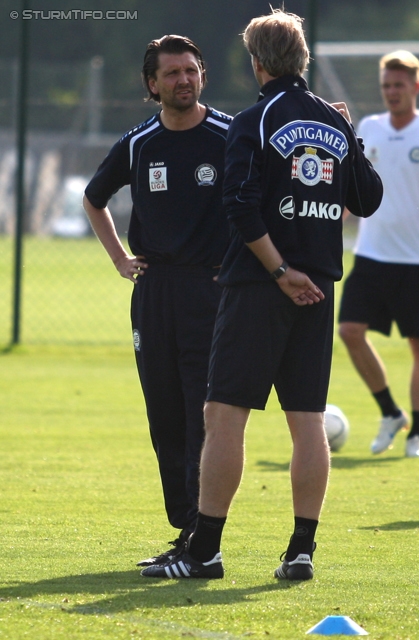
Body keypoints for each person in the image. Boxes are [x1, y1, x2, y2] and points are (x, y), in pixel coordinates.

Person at [140, 9, 383, 581]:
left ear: (256, 63)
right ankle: (301, 552)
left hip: (262, 287)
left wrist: (278, 272)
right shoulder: (332, 121)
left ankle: (205, 552)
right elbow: (367, 199)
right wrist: (349, 136)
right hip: (319, 292)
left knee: (223, 415)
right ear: (303, 58)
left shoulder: (255, 119)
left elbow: (240, 205)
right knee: (307, 422)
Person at [83, 35, 232, 566]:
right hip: (154, 291)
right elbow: (94, 198)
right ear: (152, 84)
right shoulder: (139, 143)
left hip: (211, 291)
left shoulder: (229, 135)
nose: (183, 80)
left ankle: (202, 536)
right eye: (171, 73)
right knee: (165, 414)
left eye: (190, 70)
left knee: (203, 413)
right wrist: (121, 259)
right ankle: (184, 531)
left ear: (202, 76)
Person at [339, 50, 419, 459]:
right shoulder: (368, 128)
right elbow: (349, 184)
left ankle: (416, 436)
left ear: (416, 86)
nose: (392, 92)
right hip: (371, 255)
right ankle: (390, 412)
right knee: (349, 332)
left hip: (418, 262)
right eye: (386, 86)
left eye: (399, 85)